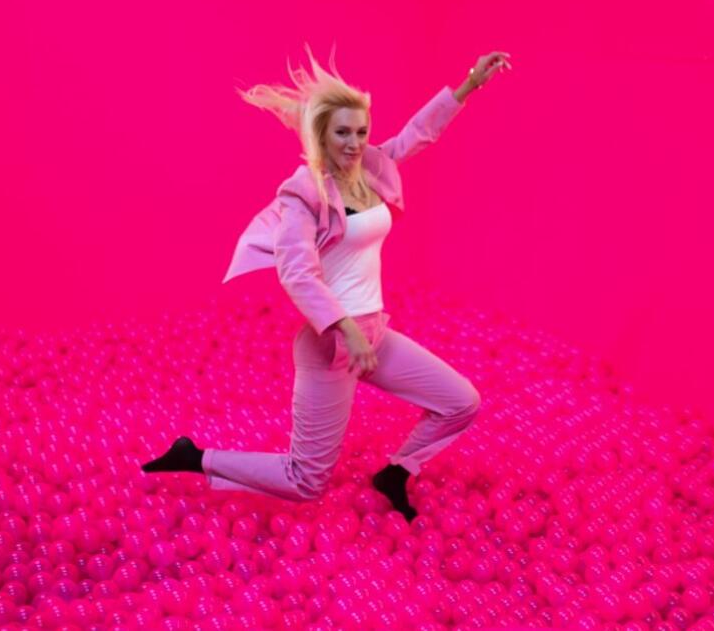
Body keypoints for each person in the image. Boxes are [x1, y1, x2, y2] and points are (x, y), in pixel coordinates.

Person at [142, 44, 513, 522]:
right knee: (306, 481)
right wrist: (349, 331)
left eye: (361, 131)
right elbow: (296, 270)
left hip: (373, 333)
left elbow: (417, 135)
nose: (354, 143)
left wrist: (467, 85)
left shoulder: (373, 169)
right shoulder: (303, 193)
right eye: (343, 133)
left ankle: (396, 472)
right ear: (321, 134)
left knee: (461, 402)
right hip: (333, 344)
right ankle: (197, 457)